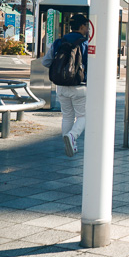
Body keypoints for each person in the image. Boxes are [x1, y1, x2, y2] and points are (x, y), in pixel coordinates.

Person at [42, 14, 89, 157]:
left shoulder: (58, 42)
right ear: (81, 27)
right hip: (80, 86)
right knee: (83, 116)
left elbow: (46, 62)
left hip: (61, 85)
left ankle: (68, 143)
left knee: (67, 116)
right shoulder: (85, 43)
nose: (87, 29)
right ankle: (73, 136)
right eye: (86, 26)